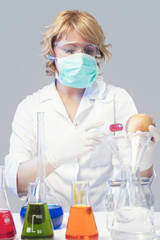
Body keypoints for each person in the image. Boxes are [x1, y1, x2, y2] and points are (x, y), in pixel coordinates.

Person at [4, 10, 159, 211]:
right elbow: (15, 183)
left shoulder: (117, 100)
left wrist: (143, 155)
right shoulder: (31, 107)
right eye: (69, 50)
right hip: (50, 222)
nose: (80, 58)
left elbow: (136, 184)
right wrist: (55, 157)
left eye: (88, 50)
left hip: (103, 223)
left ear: (97, 53)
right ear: (53, 51)